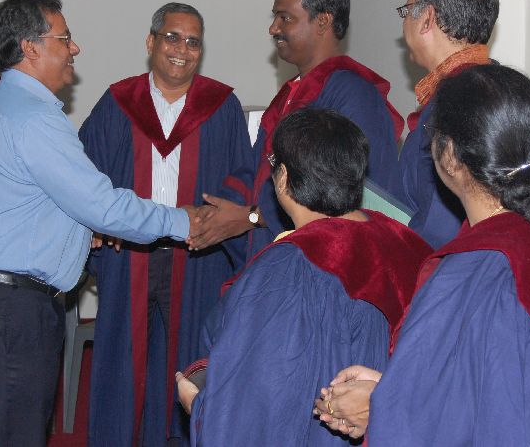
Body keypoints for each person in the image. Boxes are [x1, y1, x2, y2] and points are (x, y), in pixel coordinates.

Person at [0, 0, 193, 446]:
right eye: (64, 38)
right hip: (11, 308)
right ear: (31, 47)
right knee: (13, 435)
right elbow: (101, 204)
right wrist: (187, 222)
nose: (74, 48)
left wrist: (78, 231)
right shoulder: (33, 117)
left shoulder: (0, 104)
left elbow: (16, 203)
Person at [315, 65, 530, 446]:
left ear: (449, 155)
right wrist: (390, 388)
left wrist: (383, 406)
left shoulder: (468, 272)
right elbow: (489, 391)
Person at [176, 108, 430, 446]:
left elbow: (258, 401)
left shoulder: (291, 268)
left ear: (282, 178)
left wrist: (200, 407)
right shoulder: (406, 242)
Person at [80, 3, 253, 446]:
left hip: (197, 255)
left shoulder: (221, 105)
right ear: (151, 42)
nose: (182, 49)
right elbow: (85, 172)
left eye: (193, 41)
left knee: (189, 358)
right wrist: (96, 224)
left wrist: (220, 215)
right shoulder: (119, 101)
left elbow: (242, 174)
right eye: (172, 37)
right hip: (128, 253)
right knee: (123, 359)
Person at [187, 0, 404, 262]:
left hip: (320, 264)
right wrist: (214, 212)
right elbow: (256, 171)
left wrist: (251, 217)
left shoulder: (354, 96)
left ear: (322, 21)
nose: (273, 28)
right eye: (275, 17)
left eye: (285, 18)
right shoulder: (289, 94)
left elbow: (343, 197)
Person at [397, 0, 499, 248]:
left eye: (407, 11)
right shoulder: (498, 88)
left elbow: (439, 231)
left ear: (427, 18)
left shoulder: (459, 105)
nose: (404, 23)